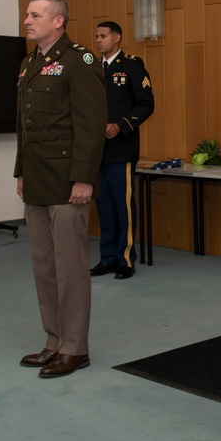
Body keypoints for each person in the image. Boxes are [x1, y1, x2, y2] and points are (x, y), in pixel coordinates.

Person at [14, 0, 107, 378]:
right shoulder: (29, 63)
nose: (27, 20)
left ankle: (75, 348)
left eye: (35, 15)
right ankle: (53, 342)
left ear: (58, 21)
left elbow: (91, 123)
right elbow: (25, 124)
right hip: (37, 178)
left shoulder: (79, 61)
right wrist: (20, 171)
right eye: (27, 14)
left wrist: (84, 177)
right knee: (45, 267)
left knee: (70, 268)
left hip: (69, 182)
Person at [90, 21, 154, 280]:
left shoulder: (132, 66)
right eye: (96, 36)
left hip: (121, 149)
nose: (98, 41)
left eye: (103, 36)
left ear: (117, 38)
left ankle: (126, 259)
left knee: (123, 205)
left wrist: (121, 126)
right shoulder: (93, 68)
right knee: (104, 207)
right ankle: (107, 259)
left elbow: (146, 104)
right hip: (97, 150)